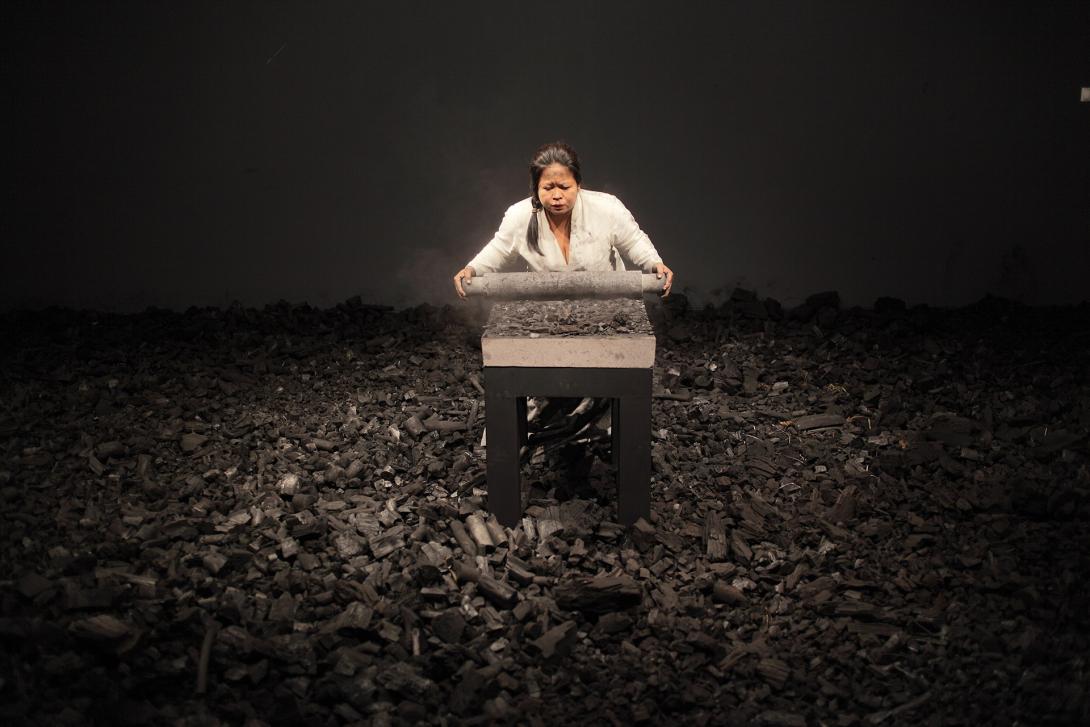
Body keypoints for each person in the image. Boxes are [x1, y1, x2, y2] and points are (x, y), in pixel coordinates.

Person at [453, 142, 674, 297]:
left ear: (578, 184)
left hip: (607, 300)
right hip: (546, 302)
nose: (557, 195)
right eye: (548, 188)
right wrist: (472, 269)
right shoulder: (518, 215)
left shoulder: (607, 207)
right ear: (535, 189)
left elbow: (634, 241)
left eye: (565, 187)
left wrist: (655, 264)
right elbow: (499, 250)